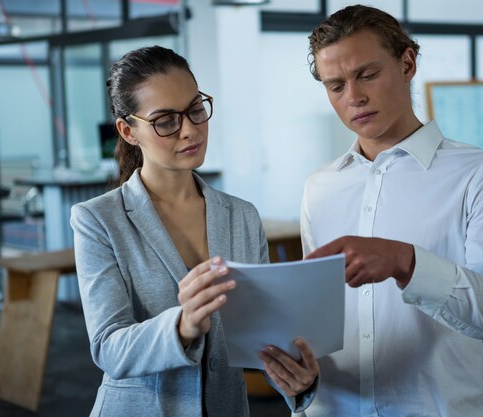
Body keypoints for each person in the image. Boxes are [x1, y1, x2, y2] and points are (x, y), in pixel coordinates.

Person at [298, 5, 483, 417]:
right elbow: (316, 321)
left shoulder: (481, 174)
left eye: (367, 75)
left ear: (407, 63)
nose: (354, 97)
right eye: (336, 86)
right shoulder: (320, 187)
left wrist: (407, 263)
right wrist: (298, 380)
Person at [70, 45, 318, 417]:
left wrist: (298, 381)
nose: (190, 130)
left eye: (195, 110)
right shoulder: (98, 219)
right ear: (128, 131)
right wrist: (182, 326)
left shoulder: (242, 216)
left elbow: (263, 336)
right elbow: (108, 347)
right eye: (165, 121)